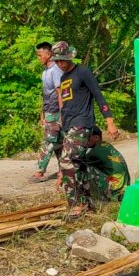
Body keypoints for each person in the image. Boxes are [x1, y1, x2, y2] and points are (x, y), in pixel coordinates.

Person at [51, 41, 119, 218]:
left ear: (69, 57)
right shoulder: (64, 79)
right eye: (56, 61)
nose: (59, 64)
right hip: (68, 126)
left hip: (82, 124)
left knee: (67, 161)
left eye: (62, 60)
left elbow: (99, 96)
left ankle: (76, 204)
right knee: (77, 164)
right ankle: (88, 203)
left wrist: (110, 122)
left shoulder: (83, 72)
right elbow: (65, 106)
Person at [32, 41, 63, 183]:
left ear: (49, 54)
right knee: (57, 143)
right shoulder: (45, 72)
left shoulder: (55, 70)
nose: (38, 57)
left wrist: (63, 114)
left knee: (49, 142)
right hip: (49, 111)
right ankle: (63, 170)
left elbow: (60, 93)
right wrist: (42, 114)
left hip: (56, 111)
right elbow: (45, 94)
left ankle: (40, 171)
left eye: (40, 55)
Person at [83, 126, 130, 203]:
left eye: (87, 137)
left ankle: (98, 199)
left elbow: (77, 162)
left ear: (96, 137)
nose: (84, 140)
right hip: (125, 185)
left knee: (82, 168)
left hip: (116, 189)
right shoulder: (106, 144)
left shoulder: (93, 153)